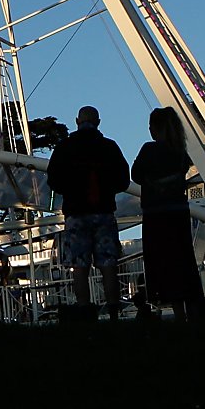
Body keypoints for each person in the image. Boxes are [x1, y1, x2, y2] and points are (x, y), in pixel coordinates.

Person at [47, 104, 132, 320]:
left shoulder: (65, 147)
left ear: (77, 121)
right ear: (98, 122)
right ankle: (113, 310)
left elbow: (53, 180)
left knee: (79, 266)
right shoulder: (109, 147)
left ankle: (85, 311)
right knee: (108, 263)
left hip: (76, 213)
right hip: (103, 211)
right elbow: (123, 179)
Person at [132, 106, 204, 321]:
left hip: (156, 213)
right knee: (183, 260)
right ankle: (193, 309)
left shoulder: (149, 150)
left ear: (155, 128)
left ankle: (178, 311)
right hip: (178, 212)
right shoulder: (180, 152)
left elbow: (136, 175)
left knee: (164, 262)